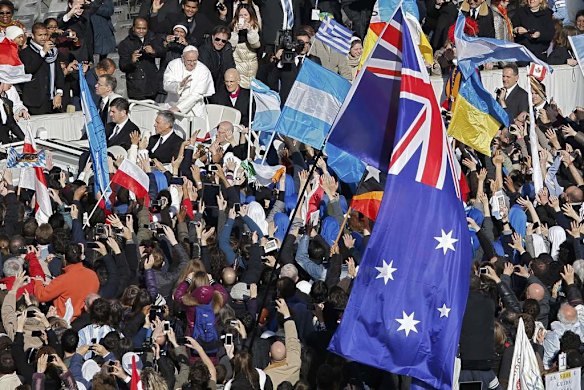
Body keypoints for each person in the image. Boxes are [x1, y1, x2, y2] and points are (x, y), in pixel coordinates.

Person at [33, 244, 99, 322]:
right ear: (81, 257)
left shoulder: (63, 279)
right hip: (87, 319)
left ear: (64, 258)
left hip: (64, 321)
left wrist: (38, 281)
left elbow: (41, 296)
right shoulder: (93, 275)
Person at [19, 22, 65, 115]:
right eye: (40, 35)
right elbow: (30, 69)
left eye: (45, 35)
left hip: (52, 99)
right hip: (35, 101)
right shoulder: (26, 52)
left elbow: (59, 73)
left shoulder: (53, 52)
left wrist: (59, 93)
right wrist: (43, 52)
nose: (43, 38)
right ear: (33, 36)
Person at [268, 31, 321, 105]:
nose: (304, 46)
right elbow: (271, 81)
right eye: (301, 42)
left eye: (306, 43)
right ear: (294, 44)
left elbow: (318, 83)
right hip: (286, 103)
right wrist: (278, 62)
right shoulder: (286, 59)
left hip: (305, 105)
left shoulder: (314, 61)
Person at [118, 17, 165, 101]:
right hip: (136, 86)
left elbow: (163, 52)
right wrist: (132, 60)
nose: (141, 31)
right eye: (138, 28)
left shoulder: (152, 38)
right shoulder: (125, 44)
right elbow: (122, 66)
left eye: (144, 28)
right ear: (133, 28)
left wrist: (154, 51)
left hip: (152, 83)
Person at [163, 45, 215, 118]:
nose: (192, 63)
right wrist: (179, 85)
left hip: (194, 111)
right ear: (183, 58)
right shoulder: (173, 65)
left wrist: (179, 108)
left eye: (195, 60)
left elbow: (197, 95)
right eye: (189, 61)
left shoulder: (203, 70)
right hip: (172, 105)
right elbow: (166, 85)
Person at [264, 299, 301, 388]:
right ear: (286, 355)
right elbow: (292, 342)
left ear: (269, 354)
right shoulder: (294, 365)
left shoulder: (265, 377)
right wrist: (287, 316)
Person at [229, 4, 262, 88]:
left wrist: (250, 31)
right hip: (238, 62)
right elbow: (231, 46)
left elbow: (255, 45)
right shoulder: (233, 27)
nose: (243, 17)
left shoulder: (255, 27)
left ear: (250, 15)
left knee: (251, 86)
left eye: (245, 15)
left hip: (252, 63)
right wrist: (235, 32)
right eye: (240, 15)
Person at [198, 25, 236, 90]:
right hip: (207, 84)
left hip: (222, 84)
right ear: (212, 37)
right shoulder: (204, 49)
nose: (220, 43)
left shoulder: (227, 48)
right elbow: (205, 71)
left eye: (223, 41)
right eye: (217, 39)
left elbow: (230, 66)